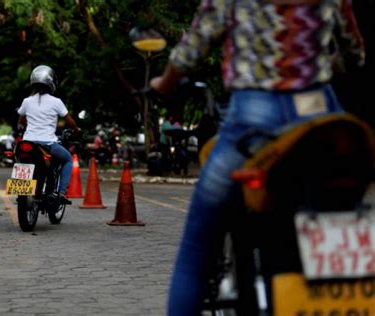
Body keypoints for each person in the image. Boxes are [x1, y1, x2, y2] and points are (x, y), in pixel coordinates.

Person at [150, 0, 365, 314]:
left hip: (254, 117)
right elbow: (353, 54)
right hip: (320, 120)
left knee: (197, 246)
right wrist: (319, 66)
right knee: (342, 220)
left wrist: (164, 83)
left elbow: (193, 47)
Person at [17, 65, 80, 202]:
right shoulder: (56, 102)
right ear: (51, 82)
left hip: (27, 143)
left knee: (21, 161)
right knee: (68, 159)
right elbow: (69, 121)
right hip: (48, 144)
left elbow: (21, 121)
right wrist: (76, 130)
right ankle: (62, 192)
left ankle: (21, 189)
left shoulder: (27, 101)